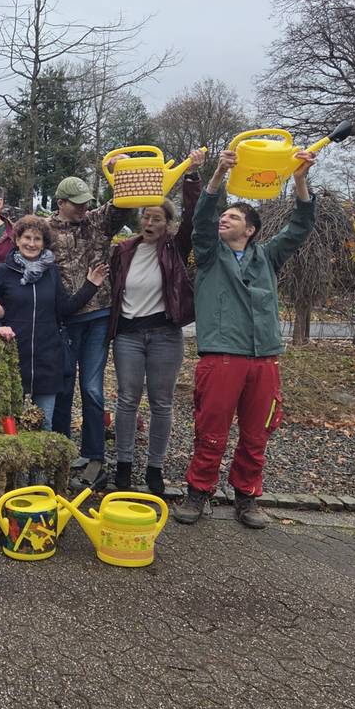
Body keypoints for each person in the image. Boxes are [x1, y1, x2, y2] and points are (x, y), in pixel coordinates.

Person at [174, 148, 317, 529]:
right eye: (225, 214)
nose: (225, 219)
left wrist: (300, 179)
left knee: (257, 434)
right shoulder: (208, 254)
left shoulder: (268, 256)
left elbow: (299, 227)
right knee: (210, 432)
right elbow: (202, 219)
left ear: (250, 229)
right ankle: (198, 493)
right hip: (221, 358)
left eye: (233, 217)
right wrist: (219, 172)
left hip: (264, 361)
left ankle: (247, 497)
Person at [107, 151, 204, 496]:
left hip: (165, 334)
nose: (149, 223)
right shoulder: (124, 250)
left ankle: (155, 469)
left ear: (167, 223)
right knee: (127, 399)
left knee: (161, 401)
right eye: (146, 217)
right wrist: (117, 176)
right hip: (129, 336)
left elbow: (194, 217)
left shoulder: (175, 247)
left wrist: (191, 177)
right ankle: (123, 466)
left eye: (157, 219)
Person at [0, 215, 108, 428]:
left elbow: (64, 309)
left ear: (44, 243)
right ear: (17, 240)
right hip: (13, 356)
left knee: (44, 425)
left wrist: (90, 285)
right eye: (27, 238)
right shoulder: (4, 271)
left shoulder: (51, 272)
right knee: (11, 426)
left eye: (37, 239)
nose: (31, 243)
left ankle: (41, 463)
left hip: (47, 358)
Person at [47, 161, 129, 490]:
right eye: (77, 203)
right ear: (61, 202)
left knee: (93, 389)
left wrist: (118, 174)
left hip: (97, 316)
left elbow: (122, 205)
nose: (83, 208)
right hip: (67, 319)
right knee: (64, 388)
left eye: (86, 203)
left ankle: (94, 453)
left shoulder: (97, 222)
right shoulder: (45, 230)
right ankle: (63, 450)